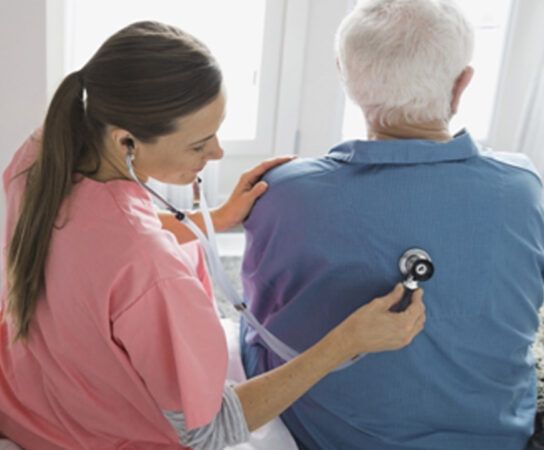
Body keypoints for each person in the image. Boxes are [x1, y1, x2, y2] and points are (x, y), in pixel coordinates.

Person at [0, 21, 426, 450]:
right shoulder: (152, 270)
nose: (218, 152)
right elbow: (209, 430)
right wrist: (346, 341)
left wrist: (214, 219)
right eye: (198, 144)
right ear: (126, 141)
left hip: (25, 405)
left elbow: (97, 247)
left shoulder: (42, 155)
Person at [240, 1, 544, 449]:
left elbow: (259, 315)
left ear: (346, 77)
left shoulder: (281, 191)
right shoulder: (522, 185)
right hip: (494, 438)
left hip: (329, 438)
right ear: (462, 86)